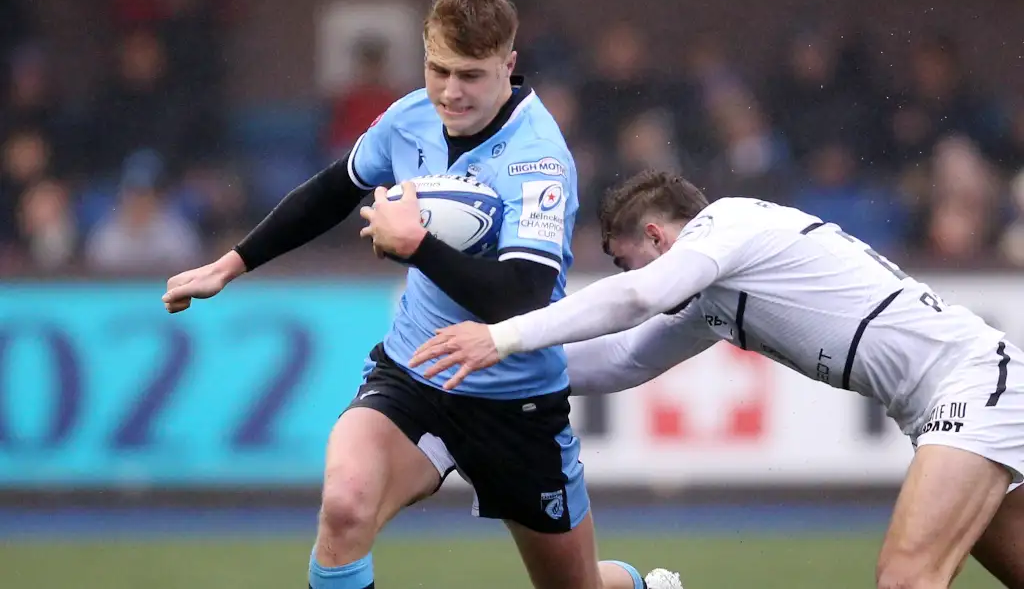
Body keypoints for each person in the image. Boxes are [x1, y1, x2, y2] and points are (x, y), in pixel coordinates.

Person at [162, 0, 680, 589]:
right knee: (345, 505)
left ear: (508, 65)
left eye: (471, 75)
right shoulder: (410, 116)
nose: (450, 93)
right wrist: (233, 262)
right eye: (438, 70)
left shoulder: (540, 159)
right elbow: (335, 189)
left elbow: (523, 296)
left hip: (514, 399)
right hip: (416, 372)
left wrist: (418, 247)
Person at [410, 168, 1024, 589]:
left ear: (656, 235)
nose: (625, 272)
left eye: (623, 258)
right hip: (958, 396)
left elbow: (639, 296)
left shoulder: (726, 225)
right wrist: (501, 379)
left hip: (971, 382)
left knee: (906, 578)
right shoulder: (716, 294)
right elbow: (626, 358)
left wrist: (503, 336)